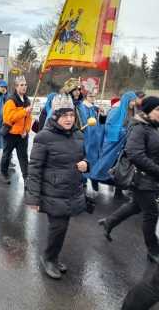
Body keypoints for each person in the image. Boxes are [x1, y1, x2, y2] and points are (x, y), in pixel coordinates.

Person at [25, 94, 88, 279]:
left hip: (71, 190)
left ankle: (52, 256)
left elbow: (82, 159)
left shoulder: (78, 135)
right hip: (53, 191)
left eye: (71, 115)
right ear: (55, 116)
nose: (69, 119)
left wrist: (86, 164)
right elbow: (34, 168)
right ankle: (48, 258)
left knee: (62, 228)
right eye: (64, 115)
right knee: (58, 228)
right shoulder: (44, 137)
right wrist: (33, 198)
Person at [98, 97, 159, 264]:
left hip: (150, 178)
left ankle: (109, 222)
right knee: (152, 213)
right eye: (158, 110)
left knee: (136, 206)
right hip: (141, 178)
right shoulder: (140, 128)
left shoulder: (153, 127)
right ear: (148, 111)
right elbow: (135, 154)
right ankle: (153, 249)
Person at [90, 92, 137, 188]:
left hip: (124, 141)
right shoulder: (116, 110)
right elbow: (108, 125)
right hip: (112, 141)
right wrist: (123, 132)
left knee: (115, 162)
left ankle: (109, 179)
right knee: (105, 160)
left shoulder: (132, 111)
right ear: (126, 100)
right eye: (132, 101)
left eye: (134, 101)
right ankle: (94, 176)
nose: (134, 103)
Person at [1, 76, 32, 184]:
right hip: (11, 134)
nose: (24, 87)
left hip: (22, 135)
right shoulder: (11, 100)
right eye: (21, 85)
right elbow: (9, 118)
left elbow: (29, 119)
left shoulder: (27, 100)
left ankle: (26, 178)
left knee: (23, 157)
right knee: (6, 155)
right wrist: (24, 111)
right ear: (16, 87)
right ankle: (4, 173)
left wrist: (26, 130)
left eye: (25, 85)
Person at [77, 92, 105, 191]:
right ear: (86, 97)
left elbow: (101, 123)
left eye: (94, 96)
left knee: (95, 159)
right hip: (87, 138)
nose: (93, 98)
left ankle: (94, 179)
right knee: (86, 159)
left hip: (95, 138)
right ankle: (83, 182)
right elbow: (84, 123)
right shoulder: (82, 107)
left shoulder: (95, 108)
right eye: (90, 96)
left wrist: (102, 114)